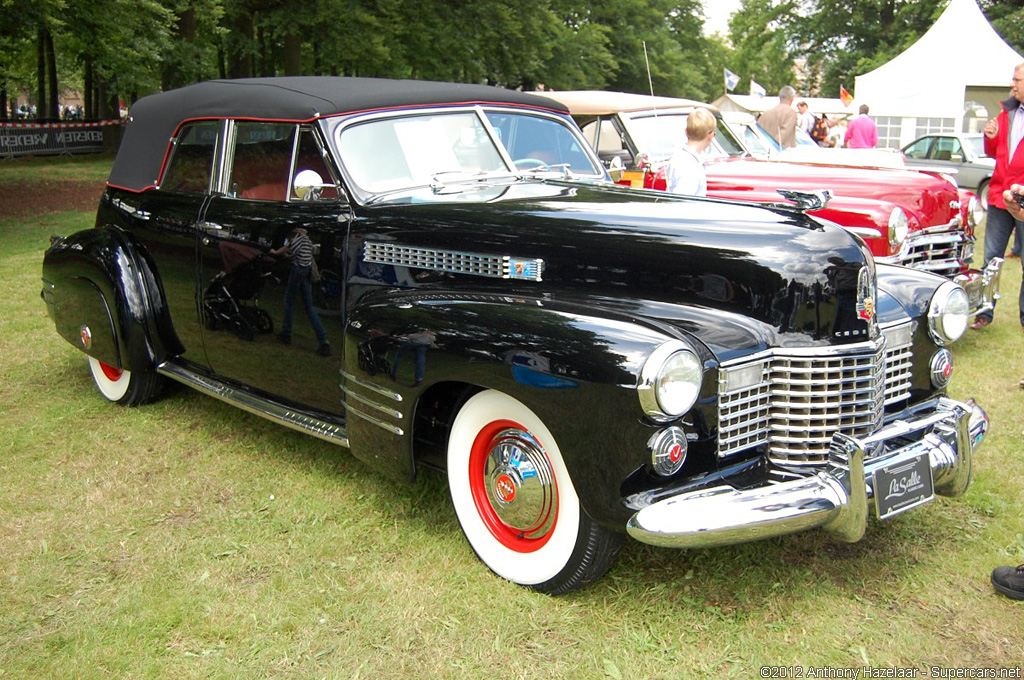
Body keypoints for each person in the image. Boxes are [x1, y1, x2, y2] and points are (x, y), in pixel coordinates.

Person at [972, 62, 1024, 331]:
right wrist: (989, 137)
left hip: (1023, 200)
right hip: (998, 197)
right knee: (991, 259)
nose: (1012, 85)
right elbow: (995, 152)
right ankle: (983, 312)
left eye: (1017, 80)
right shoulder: (1005, 114)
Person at [271, 226, 331, 356]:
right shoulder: (309, 241)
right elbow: (299, 255)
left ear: (297, 229)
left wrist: (275, 252)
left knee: (288, 302)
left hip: (297, 271)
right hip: (306, 272)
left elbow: (289, 248)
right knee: (309, 307)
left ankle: (286, 334)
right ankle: (324, 341)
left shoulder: (299, 238)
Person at [666, 107, 717, 196]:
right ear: (711, 135)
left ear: (686, 132)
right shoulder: (690, 166)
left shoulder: (678, 157)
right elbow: (682, 202)